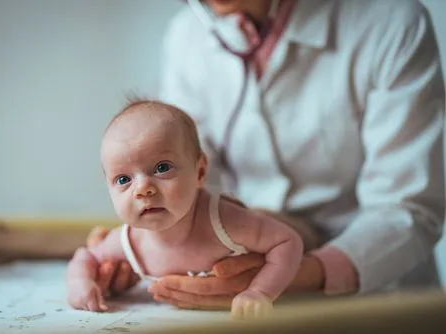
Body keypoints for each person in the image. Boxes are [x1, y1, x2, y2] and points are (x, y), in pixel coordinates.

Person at [88, 0, 446, 310]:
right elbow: (181, 176)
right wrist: (150, 248)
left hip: (379, 291)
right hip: (237, 281)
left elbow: (408, 206)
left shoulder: (390, 22)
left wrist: (288, 273)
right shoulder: (187, 36)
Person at [67, 100, 304, 319]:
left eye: (161, 168)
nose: (142, 189)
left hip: (284, 222)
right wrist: (81, 282)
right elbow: (85, 256)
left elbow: (287, 241)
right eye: (122, 179)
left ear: (200, 172)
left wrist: (260, 291)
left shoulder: (225, 221)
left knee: (303, 231)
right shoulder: (128, 240)